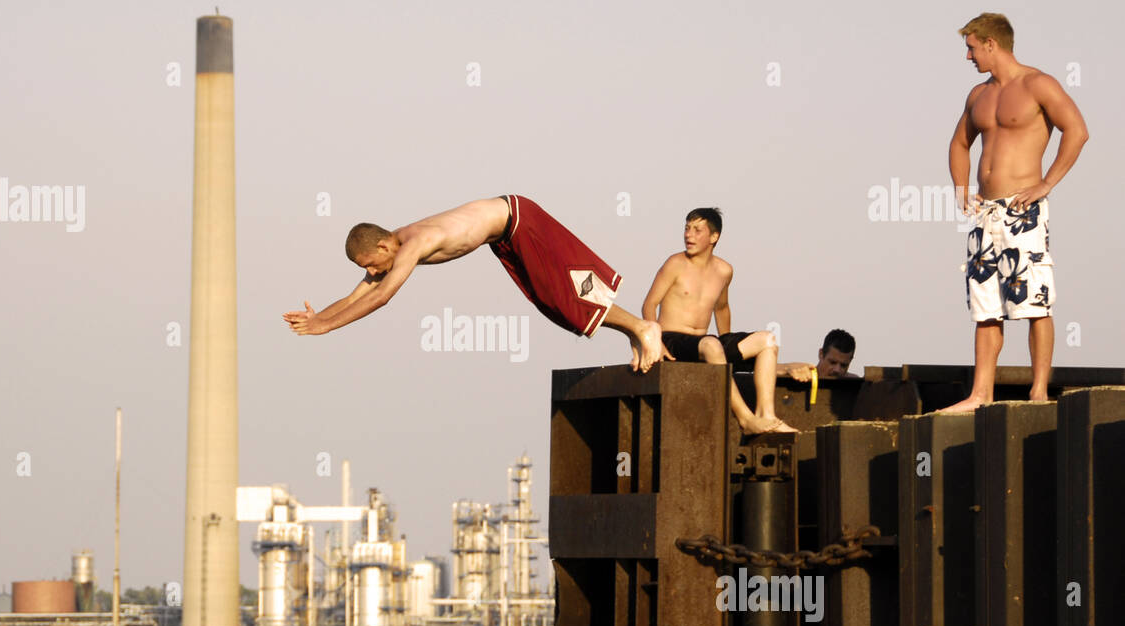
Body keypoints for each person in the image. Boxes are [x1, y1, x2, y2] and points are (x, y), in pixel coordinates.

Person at [283, 195, 670, 372]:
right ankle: (632, 333)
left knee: (568, 292)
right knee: (554, 306)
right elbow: (359, 292)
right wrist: (320, 319)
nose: (375, 271)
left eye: (373, 263)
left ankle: (642, 327)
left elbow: (381, 297)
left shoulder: (412, 245)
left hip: (520, 222)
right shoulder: (393, 246)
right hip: (504, 239)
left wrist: (324, 326)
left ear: (384, 245)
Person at [941, 12, 1089, 412]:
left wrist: (1046, 184)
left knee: (1034, 300)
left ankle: (1039, 390)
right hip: (985, 213)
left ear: (992, 43)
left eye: (972, 47)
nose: (968, 56)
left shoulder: (1038, 84)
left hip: (1023, 210)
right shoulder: (978, 95)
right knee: (985, 305)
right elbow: (959, 143)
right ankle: (980, 393)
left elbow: (1077, 130)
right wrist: (961, 188)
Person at [642, 207, 798, 434]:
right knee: (712, 344)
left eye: (697, 230)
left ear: (714, 237)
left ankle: (767, 416)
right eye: (687, 228)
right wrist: (655, 342)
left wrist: (727, 347)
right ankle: (746, 420)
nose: (688, 235)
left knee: (767, 340)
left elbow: (722, 308)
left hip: (705, 344)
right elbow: (649, 304)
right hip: (672, 342)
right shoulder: (674, 263)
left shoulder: (724, 270)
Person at [777, 328, 857, 380]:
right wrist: (786, 368)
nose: (837, 370)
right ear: (821, 354)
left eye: (843, 365)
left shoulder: (856, 384)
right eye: (832, 362)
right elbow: (766, 370)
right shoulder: (801, 376)